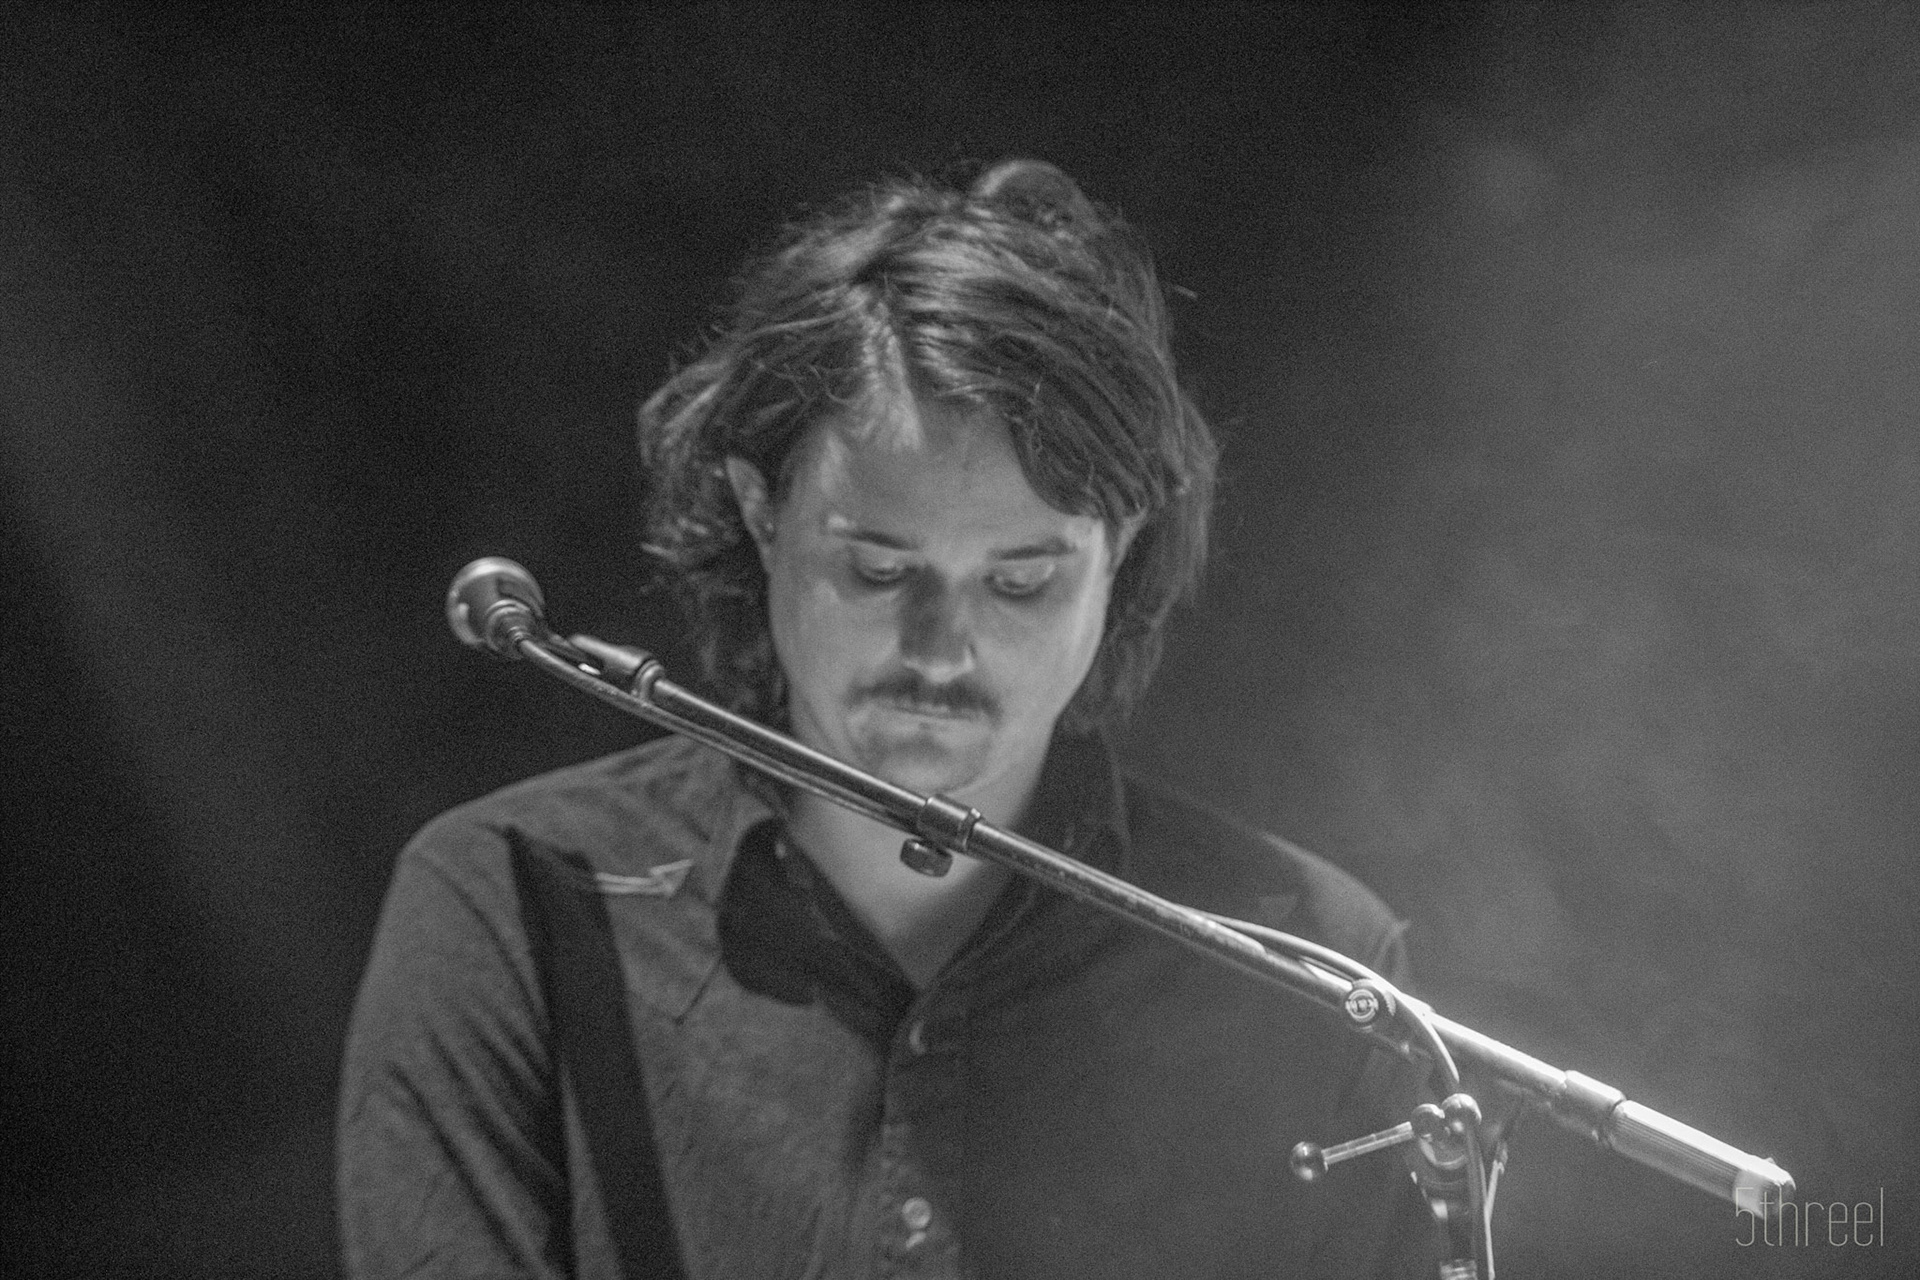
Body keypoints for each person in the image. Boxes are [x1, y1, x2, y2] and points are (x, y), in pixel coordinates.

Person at [338, 159, 1443, 1278]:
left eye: (1020, 583)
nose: (941, 647)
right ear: (761, 511)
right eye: (878, 569)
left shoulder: (1317, 970)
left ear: (1122, 554)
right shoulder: (512, 902)